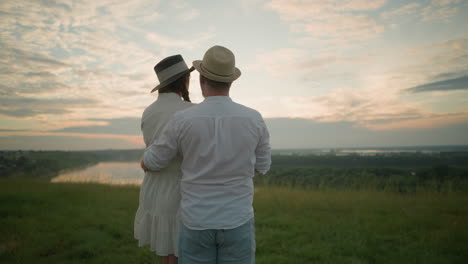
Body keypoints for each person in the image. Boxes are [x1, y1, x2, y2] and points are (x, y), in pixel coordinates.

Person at [141, 45, 271, 264]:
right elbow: (262, 165)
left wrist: (144, 161)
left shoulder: (182, 120)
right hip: (238, 218)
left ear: (201, 79)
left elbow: (153, 161)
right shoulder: (254, 119)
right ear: (231, 81)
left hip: (196, 220)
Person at [134, 54, 195, 264]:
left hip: (154, 186)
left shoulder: (148, 111)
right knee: (181, 253)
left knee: (166, 253)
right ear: (183, 80)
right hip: (180, 189)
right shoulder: (191, 110)